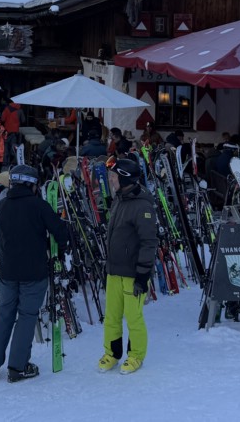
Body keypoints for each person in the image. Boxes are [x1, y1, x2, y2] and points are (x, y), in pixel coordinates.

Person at [0, 164, 70, 383]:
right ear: (32, 185)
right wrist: (61, 246)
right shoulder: (39, 206)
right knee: (27, 316)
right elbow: (60, 232)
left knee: (4, 313)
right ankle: (17, 367)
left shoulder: (3, 205)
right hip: (33, 272)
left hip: (8, 271)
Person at [99, 158, 157, 375]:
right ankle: (112, 353)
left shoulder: (142, 206)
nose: (111, 181)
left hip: (134, 274)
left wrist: (143, 274)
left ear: (124, 179)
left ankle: (136, 356)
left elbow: (149, 242)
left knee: (133, 317)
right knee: (111, 317)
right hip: (114, 271)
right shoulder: (119, 200)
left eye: (114, 177)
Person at [0, 98, 24, 168]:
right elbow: (23, 120)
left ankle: (5, 162)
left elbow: (2, 119)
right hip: (15, 132)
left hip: (7, 132)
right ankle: (14, 162)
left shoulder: (6, 109)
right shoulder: (20, 110)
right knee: (14, 148)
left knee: (5, 146)